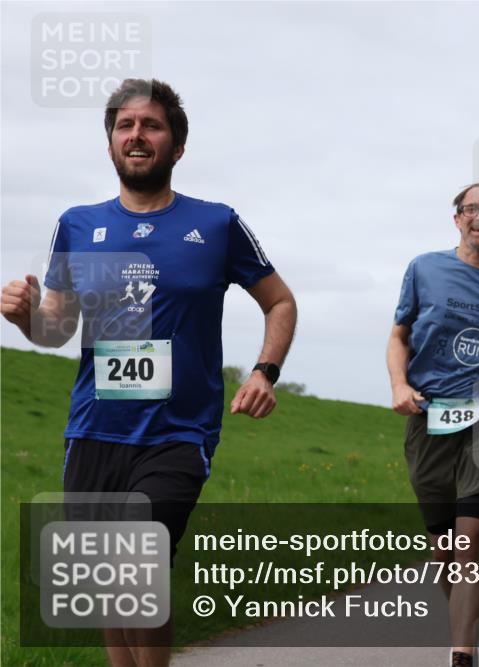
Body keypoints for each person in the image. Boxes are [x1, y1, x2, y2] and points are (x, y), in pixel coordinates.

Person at [1, 79, 297, 667]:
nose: (137, 135)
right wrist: (24, 318)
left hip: (178, 434)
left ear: (177, 146)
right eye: (124, 126)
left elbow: (280, 302)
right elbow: (57, 328)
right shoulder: (78, 224)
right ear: (111, 143)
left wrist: (265, 371)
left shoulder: (216, 224)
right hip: (94, 429)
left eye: (152, 125)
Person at [387, 181, 479, 667]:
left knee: (470, 538)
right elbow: (399, 336)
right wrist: (398, 385)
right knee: (444, 550)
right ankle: (462, 628)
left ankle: (461, 654)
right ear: (457, 219)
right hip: (429, 415)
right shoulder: (424, 268)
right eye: (471, 209)